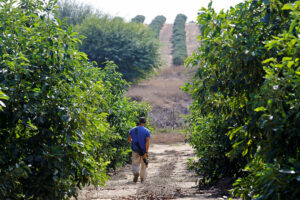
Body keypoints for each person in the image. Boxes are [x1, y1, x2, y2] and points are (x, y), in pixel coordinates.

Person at [128, 117, 150, 183]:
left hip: (135, 150)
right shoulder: (147, 131)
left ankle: (136, 173)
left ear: (139, 122)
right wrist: (146, 151)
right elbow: (147, 142)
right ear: (145, 123)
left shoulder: (132, 130)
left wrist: (133, 141)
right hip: (143, 151)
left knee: (135, 164)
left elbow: (129, 140)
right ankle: (142, 178)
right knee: (144, 165)